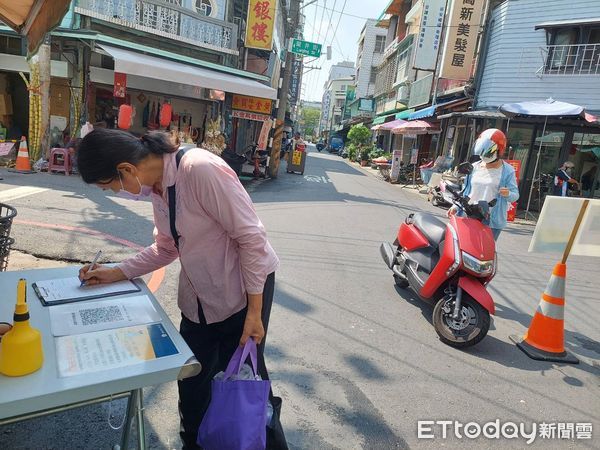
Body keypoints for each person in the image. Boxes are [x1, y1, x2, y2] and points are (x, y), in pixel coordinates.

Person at [75, 129, 280, 449]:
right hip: (199, 299)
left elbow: (252, 239)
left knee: (243, 393)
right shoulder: (158, 188)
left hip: (242, 295)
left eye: (111, 185)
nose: (116, 192)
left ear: (126, 169)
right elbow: (166, 249)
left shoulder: (199, 169)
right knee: (193, 383)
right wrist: (116, 272)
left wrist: (254, 314)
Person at [449, 128, 519, 240]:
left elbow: (515, 195)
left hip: (491, 220)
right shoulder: (474, 166)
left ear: (498, 151)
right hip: (469, 214)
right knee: (463, 250)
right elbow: (466, 190)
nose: (482, 157)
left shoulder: (507, 171)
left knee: (483, 254)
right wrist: (455, 207)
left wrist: (508, 194)